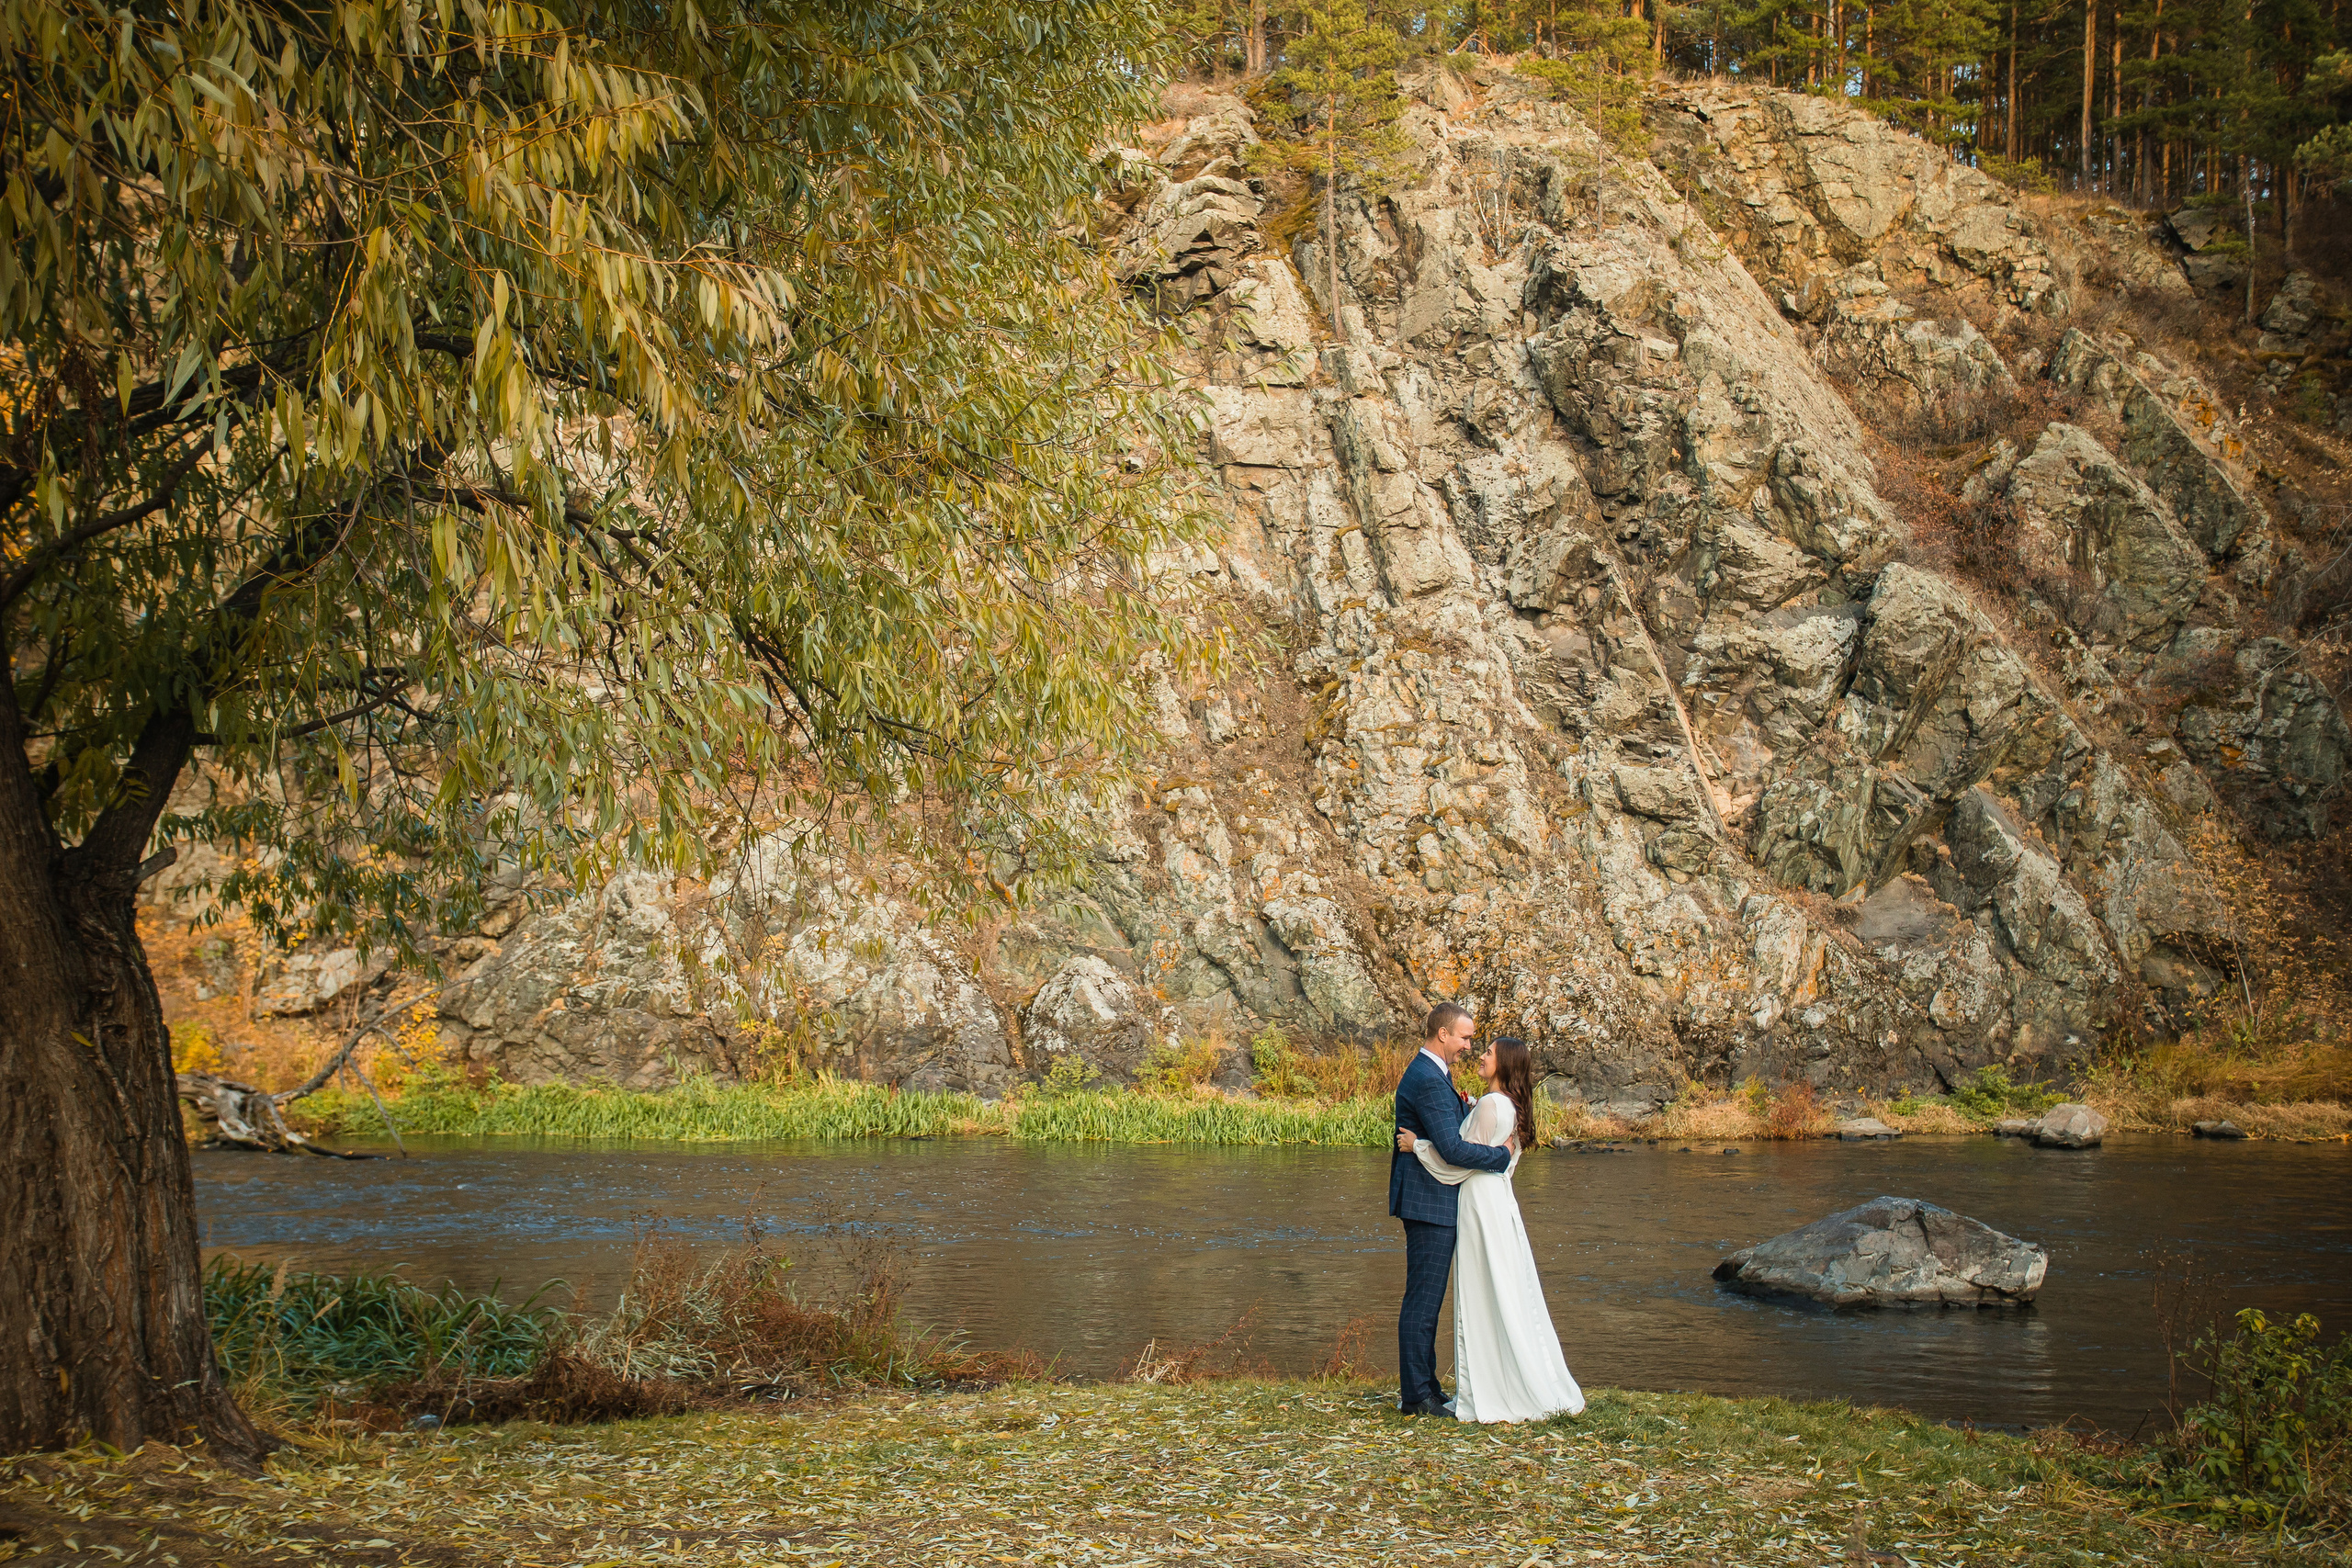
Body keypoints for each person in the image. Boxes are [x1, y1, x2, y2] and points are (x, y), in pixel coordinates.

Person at [1396, 1035, 1585, 1424]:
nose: (1479, 1054)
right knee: (1505, 1287)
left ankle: (1484, 1387)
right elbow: (1488, 1153)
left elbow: (1457, 1162)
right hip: (1498, 1202)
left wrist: (1418, 1146)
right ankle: (1502, 1379)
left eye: (1488, 1052)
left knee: (1482, 1290)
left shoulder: (1490, 1105)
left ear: (1505, 1064)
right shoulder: (1510, 1105)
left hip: (1479, 1203)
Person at [1389, 1002, 1513, 1417]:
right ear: (1442, 1033)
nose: (1468, 1046)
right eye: (1465, 1037)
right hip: (1428, 1200)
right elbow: (1453, 1148)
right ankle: (1416, 1397)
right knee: (1423, 1301)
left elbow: (1453, 1128)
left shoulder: (1435, 1074)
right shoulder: (1427, 1078)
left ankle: (1427, 1387)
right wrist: (1501, 1157)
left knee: (1428, 1299)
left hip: (1434, 1197)